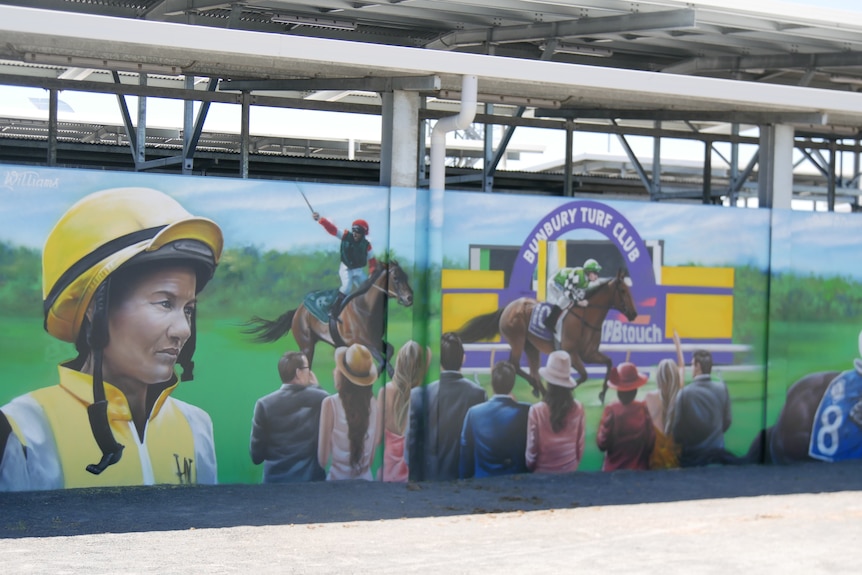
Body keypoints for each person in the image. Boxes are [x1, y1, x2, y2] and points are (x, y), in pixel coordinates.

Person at [0, 187, 223, 491]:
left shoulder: (196, 427)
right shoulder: (26, 430)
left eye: (188, 309)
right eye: (164, 303)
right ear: (94, 307)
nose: (183, 330)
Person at [408, 332, 486, 481]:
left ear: (440, 361)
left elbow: (412, 449)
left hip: (429, 481)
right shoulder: (478, 394)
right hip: (465, 482)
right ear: (463, 358)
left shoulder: (418, 395)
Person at [249, 351, 328, 483]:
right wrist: (317, 387)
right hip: (311, 482)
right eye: (307, 369)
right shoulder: (320, 398)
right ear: (298, 373)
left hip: (274, 483)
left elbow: (256, 456)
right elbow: (332, 405)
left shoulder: (263, 404)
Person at [318, 343, 381, 481]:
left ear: (343, 375)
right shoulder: (374, 404)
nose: (334, 371)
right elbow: (370, 460)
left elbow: (322, 461)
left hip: (336, 483)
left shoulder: (330, 404)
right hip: (366, 483)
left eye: (337, 368)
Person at [459, 361, 530, 479]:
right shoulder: (526, 411)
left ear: (492, 383)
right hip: (516, 482)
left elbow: (465, 452)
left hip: (482, 482)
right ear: (512, 384)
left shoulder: (474, 413)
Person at [377, 340, 431, 482]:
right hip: (415, 475)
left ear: (399, 362)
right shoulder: (423, 396)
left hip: (389, 473)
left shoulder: (385, 392)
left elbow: (376, 439)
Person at [525, 351, 586, 474]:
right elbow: (579, 449)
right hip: (569, 472)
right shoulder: (578, 408)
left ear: (548, 381)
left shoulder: (536, 411)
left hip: (541, 474)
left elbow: (531, 455)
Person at [670, 349, 733, 467]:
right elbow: (727, 421)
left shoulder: (684, 393)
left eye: (692, 364)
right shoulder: (722, 389)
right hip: (717, 455)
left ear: (698, 366)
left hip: (692, 457)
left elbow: (677, 429)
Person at [312, 211, 378, 319]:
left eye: (359, 231)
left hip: (358, 270)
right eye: (354, 231)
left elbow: (372, 262)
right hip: (346, 269)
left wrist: (371, 274)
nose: (355, 234)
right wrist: (320, 219)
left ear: (364, 233)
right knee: (346, 287)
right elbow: (332, 229)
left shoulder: (367, 245)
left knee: (368, 288)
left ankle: (366, 311)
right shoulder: (346, 235)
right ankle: (334, 310)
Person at [596, 361, 656, 472]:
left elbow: (602, 444)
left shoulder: (611, 410)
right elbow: (650, 442)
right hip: (640, 470)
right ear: (636, 389)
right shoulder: (643, 408)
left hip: (613, 471)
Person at [643, 331, 685, 469]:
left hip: (653, 461)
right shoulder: (679, 392)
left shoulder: (650, 397)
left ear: (659, 377)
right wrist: (678, 345)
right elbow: (682, 368)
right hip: (675, 461)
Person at [543, 258, 602, 332]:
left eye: (597, 273)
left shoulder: (587, 281)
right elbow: (567, 291)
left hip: (564, 285)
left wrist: (580, 300)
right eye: (595, 273)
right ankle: (549, 321)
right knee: (564, 299)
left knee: (571, 300)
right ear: (588, 272)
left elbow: (578, 293)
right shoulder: (577, 275)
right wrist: (578, 302)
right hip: (555, 283)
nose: (597, 276)